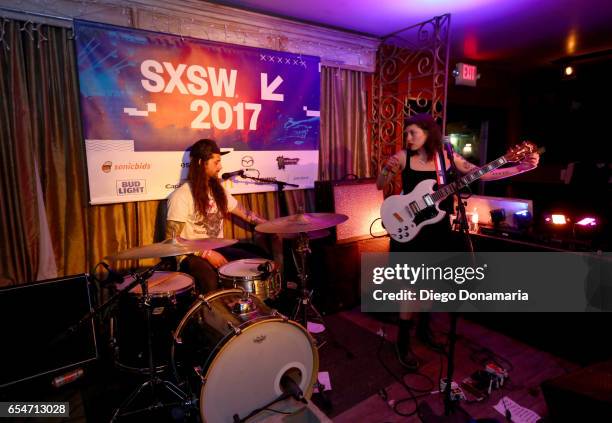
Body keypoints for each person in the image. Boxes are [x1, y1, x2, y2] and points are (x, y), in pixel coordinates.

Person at [376, 114, 539, 370]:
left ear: (429, 133)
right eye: (406, 133)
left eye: (413, 133)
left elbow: (479, 174)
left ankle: (424, 331)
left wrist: (518, 167)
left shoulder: (446, 157)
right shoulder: (403, 157)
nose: (407, 138)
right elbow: (380, 183)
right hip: (411, 229)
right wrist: (386, 172)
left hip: (437, 227)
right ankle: (403, 341)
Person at [166, 139, 268, 294]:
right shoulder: (181, 196)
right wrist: (206, 253)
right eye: (216, 162)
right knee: (210, 280)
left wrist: (272, 226)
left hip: (218, 248)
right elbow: (171, 239)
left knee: (259, 262)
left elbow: (246, 214)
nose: (220, 167)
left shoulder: (218, 191)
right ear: (201, 162)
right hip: (191, 255)